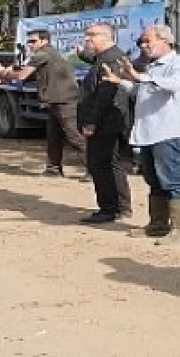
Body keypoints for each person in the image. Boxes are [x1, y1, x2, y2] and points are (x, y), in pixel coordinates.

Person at [100, 25, 180, 244]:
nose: (143, 46)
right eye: (140, 43)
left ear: (166, 40)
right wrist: (123, 82)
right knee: (153, 179)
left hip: (169, 131)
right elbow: (141, 91)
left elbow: (173, 85)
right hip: (149, 132)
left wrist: (138, 76)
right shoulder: (152, 67)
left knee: (171, 179)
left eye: (147, 41)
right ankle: (158, 224)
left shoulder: (178, 64)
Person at [7, 30, 87, 177]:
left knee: (75, 136)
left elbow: (22, 76)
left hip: (64, 101)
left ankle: (94, 170)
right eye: (28, 41)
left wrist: (3, 74)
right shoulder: (50, 54)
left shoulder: (43, 54)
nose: (29, 45)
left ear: (44, 41)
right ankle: (53, 168)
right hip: (55, 100)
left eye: (33, 41)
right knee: (53, 136)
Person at [77, 23, 133, 223]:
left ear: (107, 37)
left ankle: (110, 208)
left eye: (92, 35)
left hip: (107, 121)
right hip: (109, 120)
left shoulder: (111, 58)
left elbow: (106, 93)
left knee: (100, 164)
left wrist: (91, 121)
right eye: (86, 35)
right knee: (112, 163)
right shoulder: (107, 56)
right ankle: (120, 207)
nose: (87, 39)